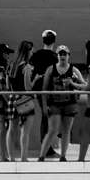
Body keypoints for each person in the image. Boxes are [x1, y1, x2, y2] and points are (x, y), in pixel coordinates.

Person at [38, 44, 85, 162]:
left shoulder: (74, 70)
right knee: (52, 130)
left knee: (66, 130)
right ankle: (42, 156)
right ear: (57, 56)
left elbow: (84, 85)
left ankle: (63, 156)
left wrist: (74, 83)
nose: (62, 56)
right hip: (54, 104)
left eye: (65, 54)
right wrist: (44, 105)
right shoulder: (51, 69)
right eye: (60, 54)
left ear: (69, 56)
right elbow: (44, 89)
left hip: (70, 104)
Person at [30, 28, 59, 156]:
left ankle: (46, 145)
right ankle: (47, 147)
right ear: (54, 42)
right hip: (52, 92)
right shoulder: (55, 57)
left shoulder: (35, 55)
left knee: (45, 117)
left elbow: (31, 71)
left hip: (38, 91)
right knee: (49, 118)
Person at [9, 40, 37, 162]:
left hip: (12, 98)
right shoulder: (26, 67)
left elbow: (7, 84)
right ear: (28, 51)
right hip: (25, 100)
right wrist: (35, 79)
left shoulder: (12, 65)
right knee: (25, 131)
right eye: (32, 50)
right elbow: (28, 87)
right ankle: (24, 158)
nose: (33, 52)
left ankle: (11, 157)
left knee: (11, 129)